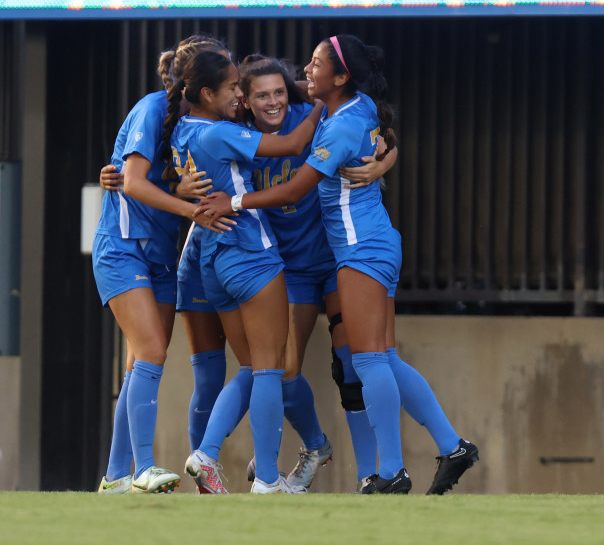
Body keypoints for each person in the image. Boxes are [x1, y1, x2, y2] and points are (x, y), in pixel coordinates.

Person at [196, 35, 479, 495]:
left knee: (365, 361)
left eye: (314, 64)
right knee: (379, 359)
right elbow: (379, 131)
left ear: (341, 77)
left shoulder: (334, 122)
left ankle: (388, 472)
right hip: (365, 245)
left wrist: (232, 200)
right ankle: (449, 447)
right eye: (260, 93)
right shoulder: (344, 107)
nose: (304, 72)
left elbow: (294, 188)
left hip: (357, 249)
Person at [234, 54, 396, 491]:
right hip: (293, 269)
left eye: (279, 93)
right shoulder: (234, 137)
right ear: (244, 101)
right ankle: (314, 446)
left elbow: (376, 127)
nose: (273, 102)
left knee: (352, 368)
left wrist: (386, 159)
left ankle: (370, 478)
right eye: (261, 96)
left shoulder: (313, 113)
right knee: (284, 372)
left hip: (338, 258)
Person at [169, 50, 322, 493]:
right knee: (270, 370)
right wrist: (319, 107)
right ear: (206, 93)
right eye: (234, 88)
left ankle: (207, 453)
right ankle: (268, 480)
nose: (240, 94)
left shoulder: (181, 130)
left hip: (213, 262)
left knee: (255, 366)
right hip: (250, 253)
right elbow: (292, 146)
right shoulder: (220, 133)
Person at [91, 35, 235, 494]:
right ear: (202, 85)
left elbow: (151, 182)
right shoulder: (153, 110)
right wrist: (191, 208)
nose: (237, 89)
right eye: (228, 78)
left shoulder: (200, 125)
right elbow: (132, 182)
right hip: (123, 248)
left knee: (141, 363)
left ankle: (114, 477)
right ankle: (144, 469)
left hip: (159, 254)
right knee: (150, 351)